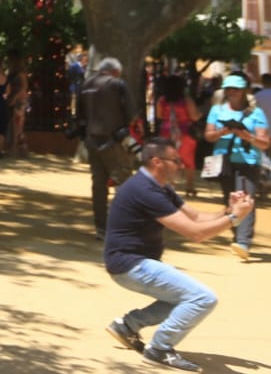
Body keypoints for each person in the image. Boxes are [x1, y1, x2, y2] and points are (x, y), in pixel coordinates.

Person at [102, 138, 255, 372]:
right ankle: (160, 349)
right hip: (131, 265)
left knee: (182, 298)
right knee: (203, 298)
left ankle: (127, 326)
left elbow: (195, 217)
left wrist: (229, 210)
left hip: (133, 262)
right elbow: (195, 233)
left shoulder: (159, 186)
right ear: (157, 162)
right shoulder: (145, 190)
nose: (181, 165)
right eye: (175, 161)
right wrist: (235, 218)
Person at [202, 72, 268, 262]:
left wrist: (248, 136)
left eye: (236, 89)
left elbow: (264, 142)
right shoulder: (217, 110)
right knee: (230, 199)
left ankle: (243, 241)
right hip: (224, 160)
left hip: (248, 160)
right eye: (228, 89)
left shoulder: (256, 113)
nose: (231, 92)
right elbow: (208, 135)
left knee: (246, 197)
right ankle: (237, 237)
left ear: (243, 91)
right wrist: (224, 131)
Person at [81, 57, 142, 237]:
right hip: (114, 141)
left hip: (92, 141)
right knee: (123, 183)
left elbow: (79, 117)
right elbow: (131, 114)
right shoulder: (117, 84)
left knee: (98, 185)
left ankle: (101, 227)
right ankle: (123, 227)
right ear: (115, 71)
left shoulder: (86, 84)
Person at [153, 74, 202, 198]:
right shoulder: (186, 100)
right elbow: (194, 116)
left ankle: (170, 184)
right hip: (184, 132)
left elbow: (159, 116)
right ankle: (190, 185)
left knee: (167, 159)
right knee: (188, 160)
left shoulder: (162, 100)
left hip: (166, 131)